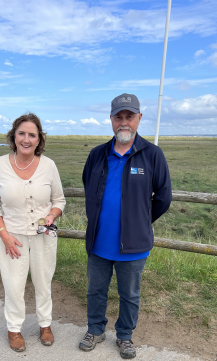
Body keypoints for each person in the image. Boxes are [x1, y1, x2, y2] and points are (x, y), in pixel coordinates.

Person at [79, 93, 172, 359]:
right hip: (99, 241)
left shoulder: (153, 155)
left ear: (139, 119)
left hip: (134, 244)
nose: (124, 122)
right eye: (118, 117)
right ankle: (95, 330)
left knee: (129, 294)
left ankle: (125, 336)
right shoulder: (97, 155)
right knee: (95, 290)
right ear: (111, 120)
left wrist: (139, 222)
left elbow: (164, 197)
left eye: (129, 117)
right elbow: (89, 186)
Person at [0, 113, 66, 352]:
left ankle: (45, 325)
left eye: (32, 134)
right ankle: (14, 329)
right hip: (12, 238)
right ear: (14, 136)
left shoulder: (49, 165)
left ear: (39, 139)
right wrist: (4, 235)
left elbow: (59, 200)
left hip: (44, 235)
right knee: (13, 285)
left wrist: (51, 216)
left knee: (44, 283)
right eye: (22, 133)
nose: (26, 139)